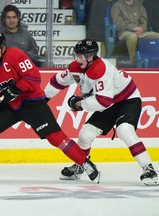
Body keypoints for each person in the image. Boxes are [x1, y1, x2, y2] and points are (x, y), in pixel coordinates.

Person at [0, 31, 100, 182]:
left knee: (55, 138)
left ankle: (84, 163)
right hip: (10, 104)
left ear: (2, 48)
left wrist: (15, 88)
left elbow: (33, 77)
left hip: (32, 102)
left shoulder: (15, 55)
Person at [44, 38, 158, 186]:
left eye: (81, 55)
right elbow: (58, 81)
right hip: (109, 103)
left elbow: (103, 101)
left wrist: (79, 104)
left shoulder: (100, 69)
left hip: (127, 100)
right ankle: (80, 164)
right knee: (85, 134)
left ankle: (149, 169)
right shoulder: (76, 67)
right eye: (76, 55)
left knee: (124, 130)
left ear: (90, 56)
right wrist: (42, 99)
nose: (77, 58)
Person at [111, 0, 159, 67]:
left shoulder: (140, 6)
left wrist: (142, 29)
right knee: (132, 37)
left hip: (140, 32)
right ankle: (132, 61)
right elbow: (118, 23)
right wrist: (133, 28)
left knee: (157, 36)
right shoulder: (117, 5)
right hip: (124, 32)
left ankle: (155, 60)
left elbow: (144, 22)